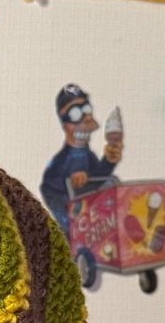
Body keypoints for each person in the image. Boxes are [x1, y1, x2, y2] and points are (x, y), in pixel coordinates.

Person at [40, 84, 122, 238]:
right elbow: (49, 187)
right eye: (76, 113)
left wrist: (109, 161)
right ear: (64, 123)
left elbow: (97, 180)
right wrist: (70, 182)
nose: (87, 119)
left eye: (87, 110)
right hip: (75, 228)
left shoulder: (88, 155)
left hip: (92, 228)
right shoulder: (61, 161)